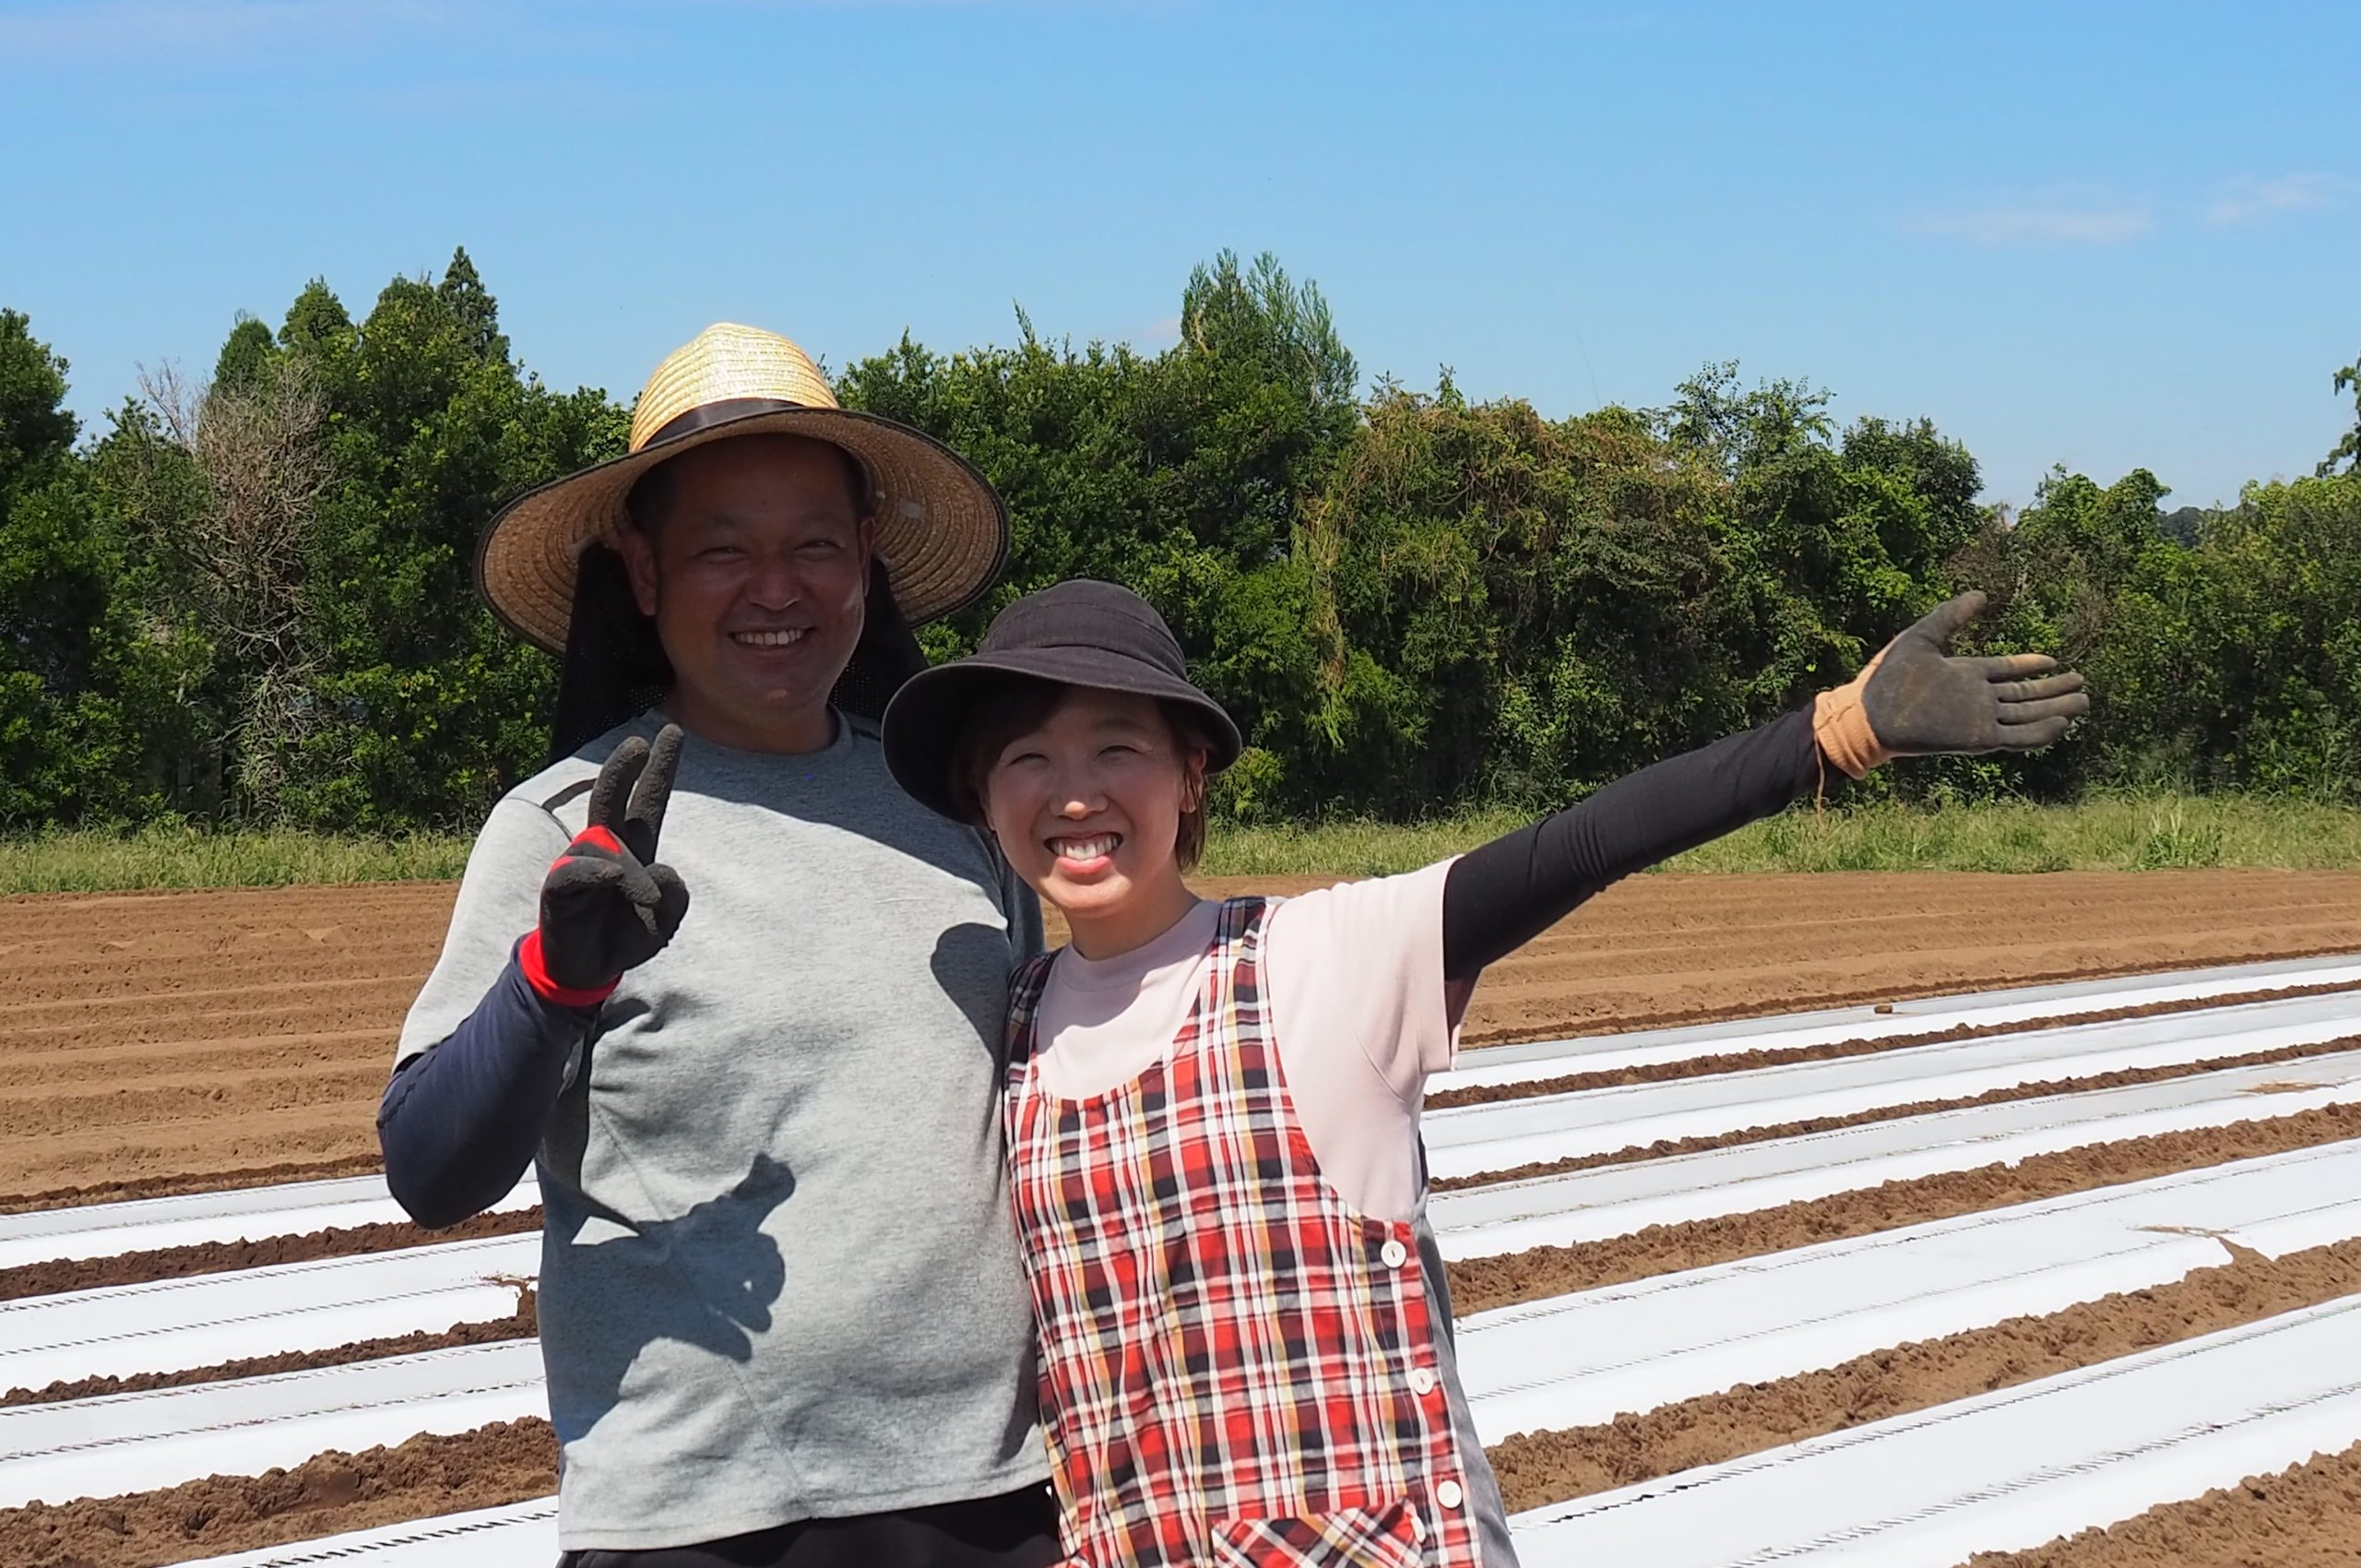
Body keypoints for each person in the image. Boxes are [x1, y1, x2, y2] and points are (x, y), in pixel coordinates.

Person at [874, 579, 2088, 1568]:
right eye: (1027, 756)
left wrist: (1836, 731)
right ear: (984, 793)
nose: (1074, 791)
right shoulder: (1013, 1030)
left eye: (1117, 747)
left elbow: (1583, 841)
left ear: (1191, 774)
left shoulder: (1321, 959)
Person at [377, 324, 1062, 1566]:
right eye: (723, 550)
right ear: (643, 574)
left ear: (866, 558)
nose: (776, 588)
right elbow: (431, 1167)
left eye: (815, 544)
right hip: (703, 1516)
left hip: (990, 1494)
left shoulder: (959, 815)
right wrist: (555, 981)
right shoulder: (563, 833)